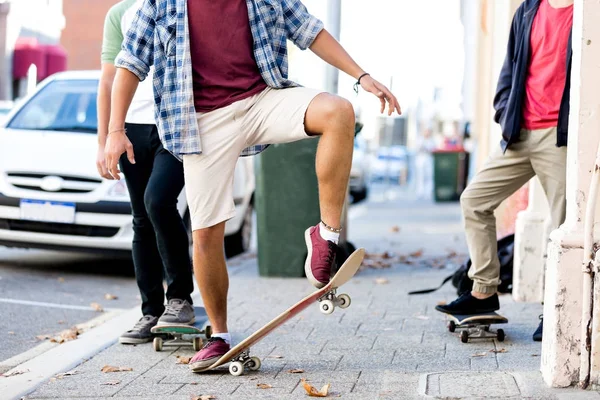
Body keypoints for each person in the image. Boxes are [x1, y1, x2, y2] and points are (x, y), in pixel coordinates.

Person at [104, 0, 400, 368]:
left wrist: (361, 75)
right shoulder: (161, 4)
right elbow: (130, 63)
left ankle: (325, 235)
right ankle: (220, 335)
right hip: (201, 121)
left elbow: (310, 30)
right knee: (207, 233)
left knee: (339, 111)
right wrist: (115, 130)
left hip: (262, 100)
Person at [435, 0, 573, 342]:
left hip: (561, 136)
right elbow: (510, 69)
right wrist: (503, 110)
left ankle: (558, 308)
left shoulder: (587, 13)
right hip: (519, 133)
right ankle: (483, 291)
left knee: (566, 225)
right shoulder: (528, 9)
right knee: (474, 201)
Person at [97, 0, 195, 344]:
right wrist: (106, 138)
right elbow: (108, 80)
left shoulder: (184, 7)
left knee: (159, 201)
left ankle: (180, 300)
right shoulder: (119, 13)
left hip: (177, 124)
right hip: (131, 129)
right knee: (141, 217)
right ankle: (150, 312)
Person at [414, 126, 436, 200]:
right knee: (420, 176)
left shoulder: (431, 140)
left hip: (428, 158)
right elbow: (417, 148)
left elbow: (432, 149)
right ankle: (420, 192)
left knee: (429, 175)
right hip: (421, 157)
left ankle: (428, 192)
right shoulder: (420, 139)